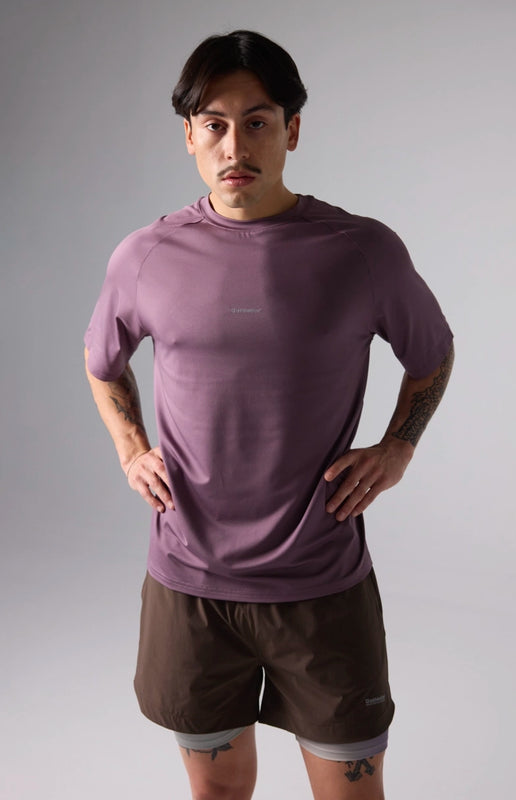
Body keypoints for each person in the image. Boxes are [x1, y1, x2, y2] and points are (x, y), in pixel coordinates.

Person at [84, 29, 454, 800]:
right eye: (214, 124)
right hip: (190, 585)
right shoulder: (146, 255)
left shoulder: (360, 251)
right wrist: (130, 446)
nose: (234, 145)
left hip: (320, 583)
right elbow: (103, 361)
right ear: (189, 136)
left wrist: (397, 447)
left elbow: (430, 353)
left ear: (292, 130)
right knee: (217, 793)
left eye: (256, 121)